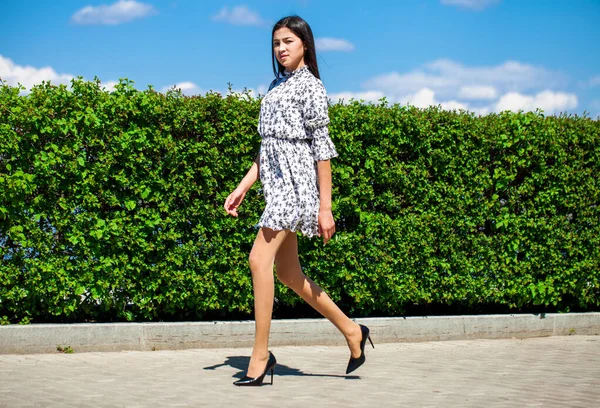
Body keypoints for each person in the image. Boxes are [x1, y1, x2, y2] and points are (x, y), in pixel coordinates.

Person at [224, 15, 373, 387]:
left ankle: (261, 355)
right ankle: (353, 332)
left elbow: (322, 151)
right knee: (289, 275)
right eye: (276, 43)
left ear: (305, 44)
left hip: (296, 189)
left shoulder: (311, 88)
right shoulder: (275, 86)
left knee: (258, 259)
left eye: (288, 41)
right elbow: (267, 148)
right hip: (274, 189)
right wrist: (244, 186)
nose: (281, 49)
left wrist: (326, 207)